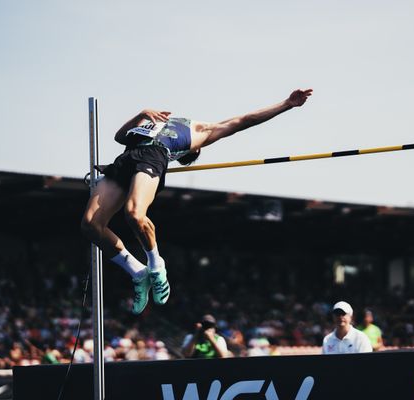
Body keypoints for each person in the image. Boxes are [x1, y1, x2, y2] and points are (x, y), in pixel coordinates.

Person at [81, 89, 313, 314]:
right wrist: (141, 114)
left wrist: (286, 105)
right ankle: (138, 272)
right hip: (124, 158)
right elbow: (119, 137)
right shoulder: (150, 118)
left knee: (134, 214)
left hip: (152, 158)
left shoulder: (201, 131)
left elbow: (245, 120)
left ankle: (157, 267)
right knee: (90, 225)